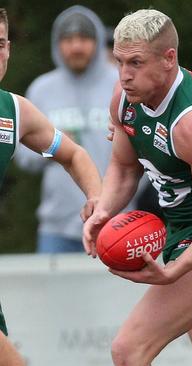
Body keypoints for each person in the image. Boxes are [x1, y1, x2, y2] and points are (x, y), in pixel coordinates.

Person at [81, 9, 192, 365]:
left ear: (169, 59)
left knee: (129, 349)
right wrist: (103, 210)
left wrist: (174, 271)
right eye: (119, 61)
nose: (124, 75)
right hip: (185, 228)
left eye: (135, 62)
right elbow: (123, 165)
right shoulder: (124, 97)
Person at [0, 8, 101, 366]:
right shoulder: (44, 89)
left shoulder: (15, 111)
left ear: (9, 48)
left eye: (0, 43)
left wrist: (99, 203)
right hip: (54, 227)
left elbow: (74, 155)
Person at [14, 6, 118, 253]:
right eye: (68, 40)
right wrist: (55, 147)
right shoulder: (42, 89)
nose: (76, 47)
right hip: (56, 226)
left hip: (113, 220)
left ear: (97, 42)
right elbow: (23, 157)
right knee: (51, 293)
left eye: (84, 39)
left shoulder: (120, 83)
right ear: (57, 44)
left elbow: (143, 152)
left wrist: (127, 199)